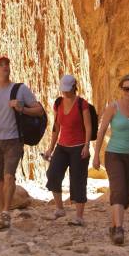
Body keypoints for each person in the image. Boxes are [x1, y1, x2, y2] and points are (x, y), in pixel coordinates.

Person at [0, 56, 44, 230]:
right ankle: (1, 213)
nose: (5, 67)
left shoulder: (20, 90)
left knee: (9, 175)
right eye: (1, 65)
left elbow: (39, 110)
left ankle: (5, 212)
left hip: (13, 140)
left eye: (7, 64)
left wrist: (22, 108)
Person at [93, 74, 129, 245]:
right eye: (126, 88)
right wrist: (96, 155)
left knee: (125, 197)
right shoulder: (113, 108)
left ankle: (113, 227)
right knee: (118, 190)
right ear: (121, 89)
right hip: (114, 155)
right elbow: (102, 131)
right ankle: (119, 229)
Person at [43, 74, 91, 226]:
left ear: (73, 87)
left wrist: (86, 145)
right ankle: (59, 208)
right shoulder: (58, 103)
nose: (65, 93)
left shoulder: (82, 104)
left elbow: (88, 126)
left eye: (67, 90)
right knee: (52, 174)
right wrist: (50, 148)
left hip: (78, 147)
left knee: (78, 179)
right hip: (62, 146)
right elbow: (56, 127)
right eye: (63, 90)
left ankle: (79, 216)